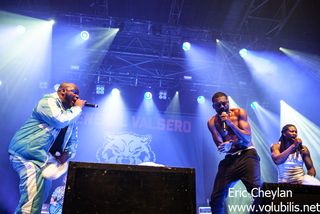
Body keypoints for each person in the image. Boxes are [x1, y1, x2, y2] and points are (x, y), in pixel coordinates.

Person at [8, 82, 86, 214]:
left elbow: (73, 140)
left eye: (78, 95)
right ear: (62, 91)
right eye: (74, 93)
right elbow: (58, 121)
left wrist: (67, 154)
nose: (77, 97)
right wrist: (77, 109)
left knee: (39, 198)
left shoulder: (69, 115)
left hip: (44, 159)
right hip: (27, 155)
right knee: (32, 201)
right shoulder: (48, 101)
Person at [207, 92, 261, 214]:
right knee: (216, 198)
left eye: (224, 103)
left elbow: (247, 138)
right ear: (213, 106)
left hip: (247, 155)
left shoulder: (239, 113)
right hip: (230, 159)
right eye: (218, 105)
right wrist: (225, 146)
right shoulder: (212, 122)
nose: (222, 107)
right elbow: (220, 144)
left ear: (228, 103)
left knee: (258, 192)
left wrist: (230, 123)